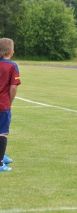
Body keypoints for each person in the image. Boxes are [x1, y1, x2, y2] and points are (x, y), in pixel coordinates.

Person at [0, 38, 21, 172]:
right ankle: (1, 163)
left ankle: (2, 155)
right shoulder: (12, 66)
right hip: (3, 104)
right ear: (12, 52)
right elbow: (13, 88)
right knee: (3, 132)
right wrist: (10, 101)